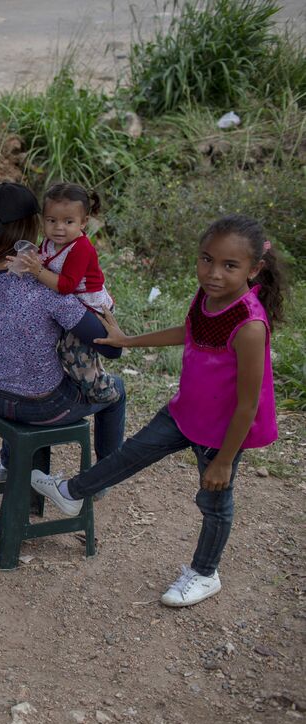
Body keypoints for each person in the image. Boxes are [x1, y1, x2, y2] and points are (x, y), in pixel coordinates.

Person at [31, 215, 283, 608]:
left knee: (214, 503)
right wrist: (127, 341)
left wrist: (225, 461)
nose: (214, 273)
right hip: (185, 412)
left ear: (254, 270)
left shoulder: (250, 325)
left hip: (222, 433)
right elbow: (190, 331)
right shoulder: (206, 297)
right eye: (206, 260)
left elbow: (249, 404)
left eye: (229, 266)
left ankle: (204, 573)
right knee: (133, 453)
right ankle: (72, 493)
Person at [0, 182, 126, 482]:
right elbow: (112, 348)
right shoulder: (47, 287)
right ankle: (103, 478)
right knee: (117, 391)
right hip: (43, 407)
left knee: (22, 379)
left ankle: (11, 469)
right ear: (36, 227)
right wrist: (114, 329)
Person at [12, 182, 118, 403]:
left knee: (75, 352)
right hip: (69, 305)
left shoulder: (81, 248)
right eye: (52, 221)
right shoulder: (50, 242)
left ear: (83, 222)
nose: (59, 227)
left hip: (88, 304)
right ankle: (83, 380)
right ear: (44, 220)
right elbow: (42, 261)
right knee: (68, 348)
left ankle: (101, 391)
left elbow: (66, 286)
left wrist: (37, 270)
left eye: (68, 222)